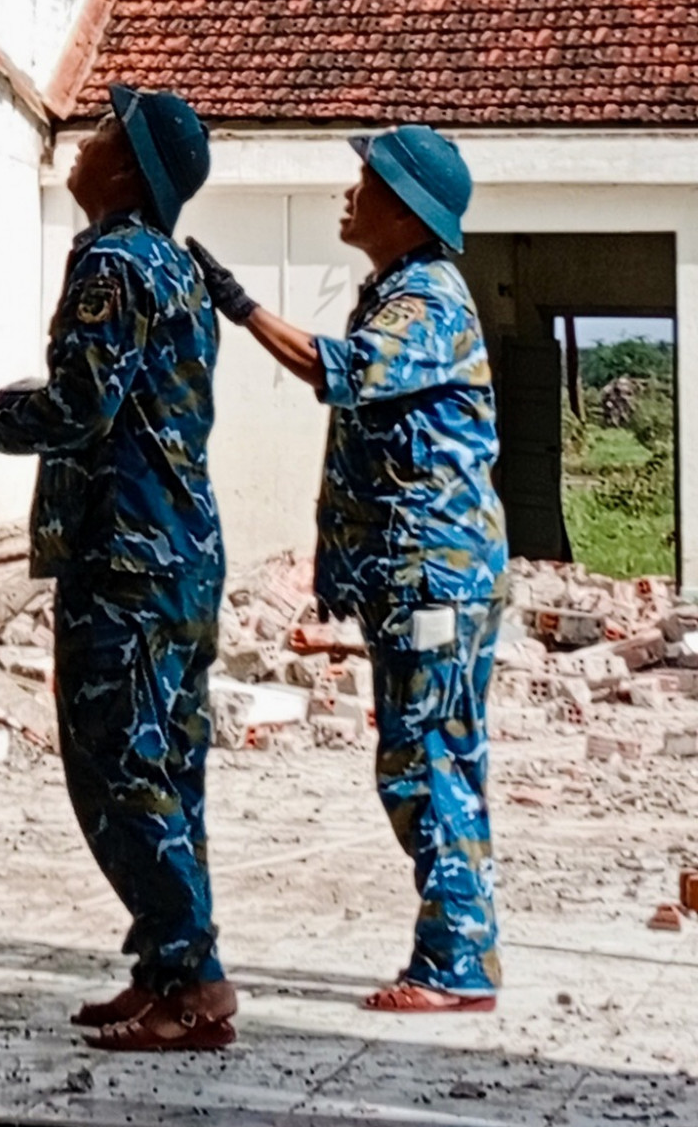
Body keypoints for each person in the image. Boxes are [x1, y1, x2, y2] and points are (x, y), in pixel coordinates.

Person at [0, 86, 234, 1051]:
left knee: (117, 768)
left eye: (104, 134)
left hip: (125, 555)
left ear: (128, 169)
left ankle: (194, 978)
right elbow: (130, 398)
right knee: (167, 768)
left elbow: (84, 410)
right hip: (178, 550)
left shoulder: (112, 263)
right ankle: (169, 964)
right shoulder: (176, 268)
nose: (83, 143)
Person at [189, 124, 506, 1012]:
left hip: (436, 579)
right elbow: (372, 446)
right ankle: (460, 951)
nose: (349, 193)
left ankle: (455, 965)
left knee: (426, 759)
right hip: (419, 573)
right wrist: (339, 562)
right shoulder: (398, 291)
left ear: (406, 209)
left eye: (366, 182)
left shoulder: (427, 299)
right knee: (433, 753)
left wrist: (242, 306)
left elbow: (342, 374)